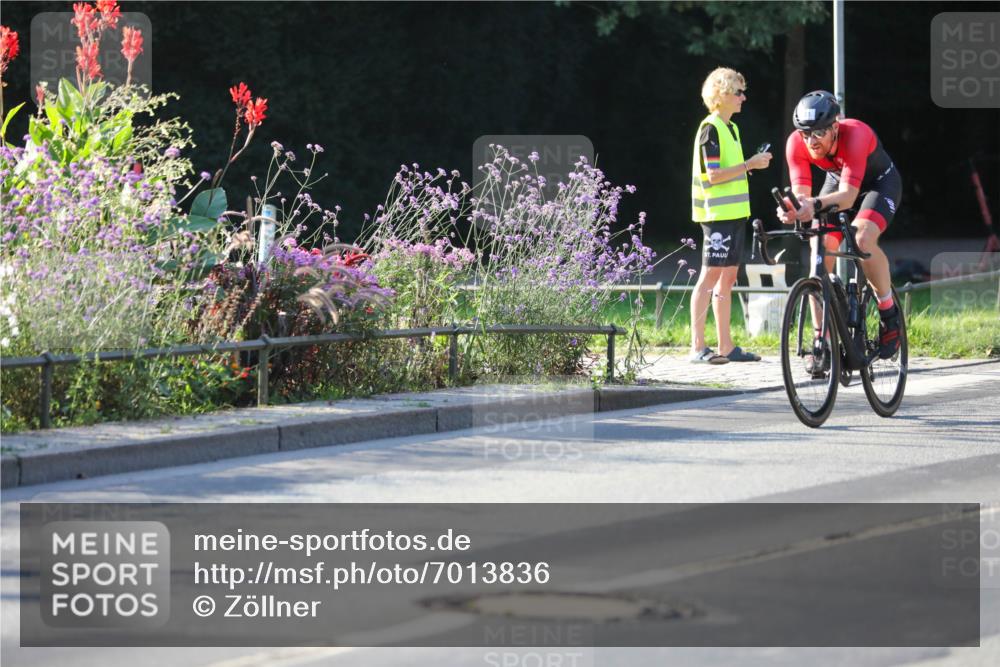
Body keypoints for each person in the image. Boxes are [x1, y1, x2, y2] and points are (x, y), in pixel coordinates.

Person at [776, 90, 902, 361]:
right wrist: (794, 209)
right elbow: (802, 192)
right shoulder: (795, 143)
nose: (811, 141)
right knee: (817, 254)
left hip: (877, 185)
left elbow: (847, 197)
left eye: (818, 133)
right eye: (805, 133)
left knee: (862, 238)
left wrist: (813, 205)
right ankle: (822, 339)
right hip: (839, 180)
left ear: (835, 127)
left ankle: (888, 313)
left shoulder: (855, 134)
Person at [690, 67, 772, 364]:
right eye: (738, 92)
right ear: (721, 95)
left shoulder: (732, 129)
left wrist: (750, 164)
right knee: (710, 277)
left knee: (728, 278)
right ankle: (698, 346)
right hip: (716, 216)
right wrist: (750, 164)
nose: (743, 97)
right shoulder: (710, 128)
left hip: (735, 215)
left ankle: (725, 346)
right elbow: (713, 176)